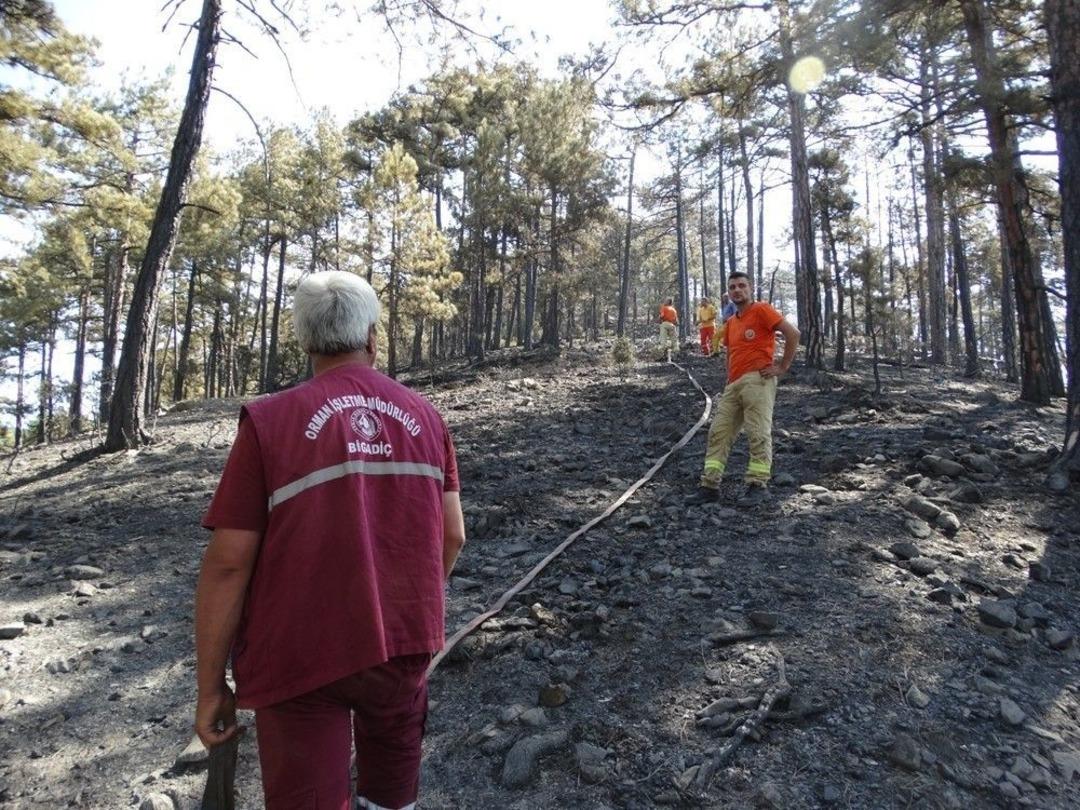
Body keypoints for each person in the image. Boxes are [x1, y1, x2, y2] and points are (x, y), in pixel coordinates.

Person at [194, 271, 466, 810]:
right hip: (401, 648)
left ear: (305, 340)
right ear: (371, 337)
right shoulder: (425, 417)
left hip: (300, 656)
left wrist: (209, 688)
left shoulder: (270, 423)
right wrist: (405, 606)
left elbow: (228, 565)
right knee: (392, 799)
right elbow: (452, 535)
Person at [695, 271, 800, 505]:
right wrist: (729, 379)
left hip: (758, 379)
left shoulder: (762, 310)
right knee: (718, 432)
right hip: (734, 385)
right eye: (732, 287)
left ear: (750, 289)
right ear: (728, 292)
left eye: (742, 286)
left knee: (758, 432)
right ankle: (710, 486)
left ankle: (757, 485)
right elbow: (731, 352)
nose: (737, 290)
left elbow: (793, 333)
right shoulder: (731, 322)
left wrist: (782, 367)